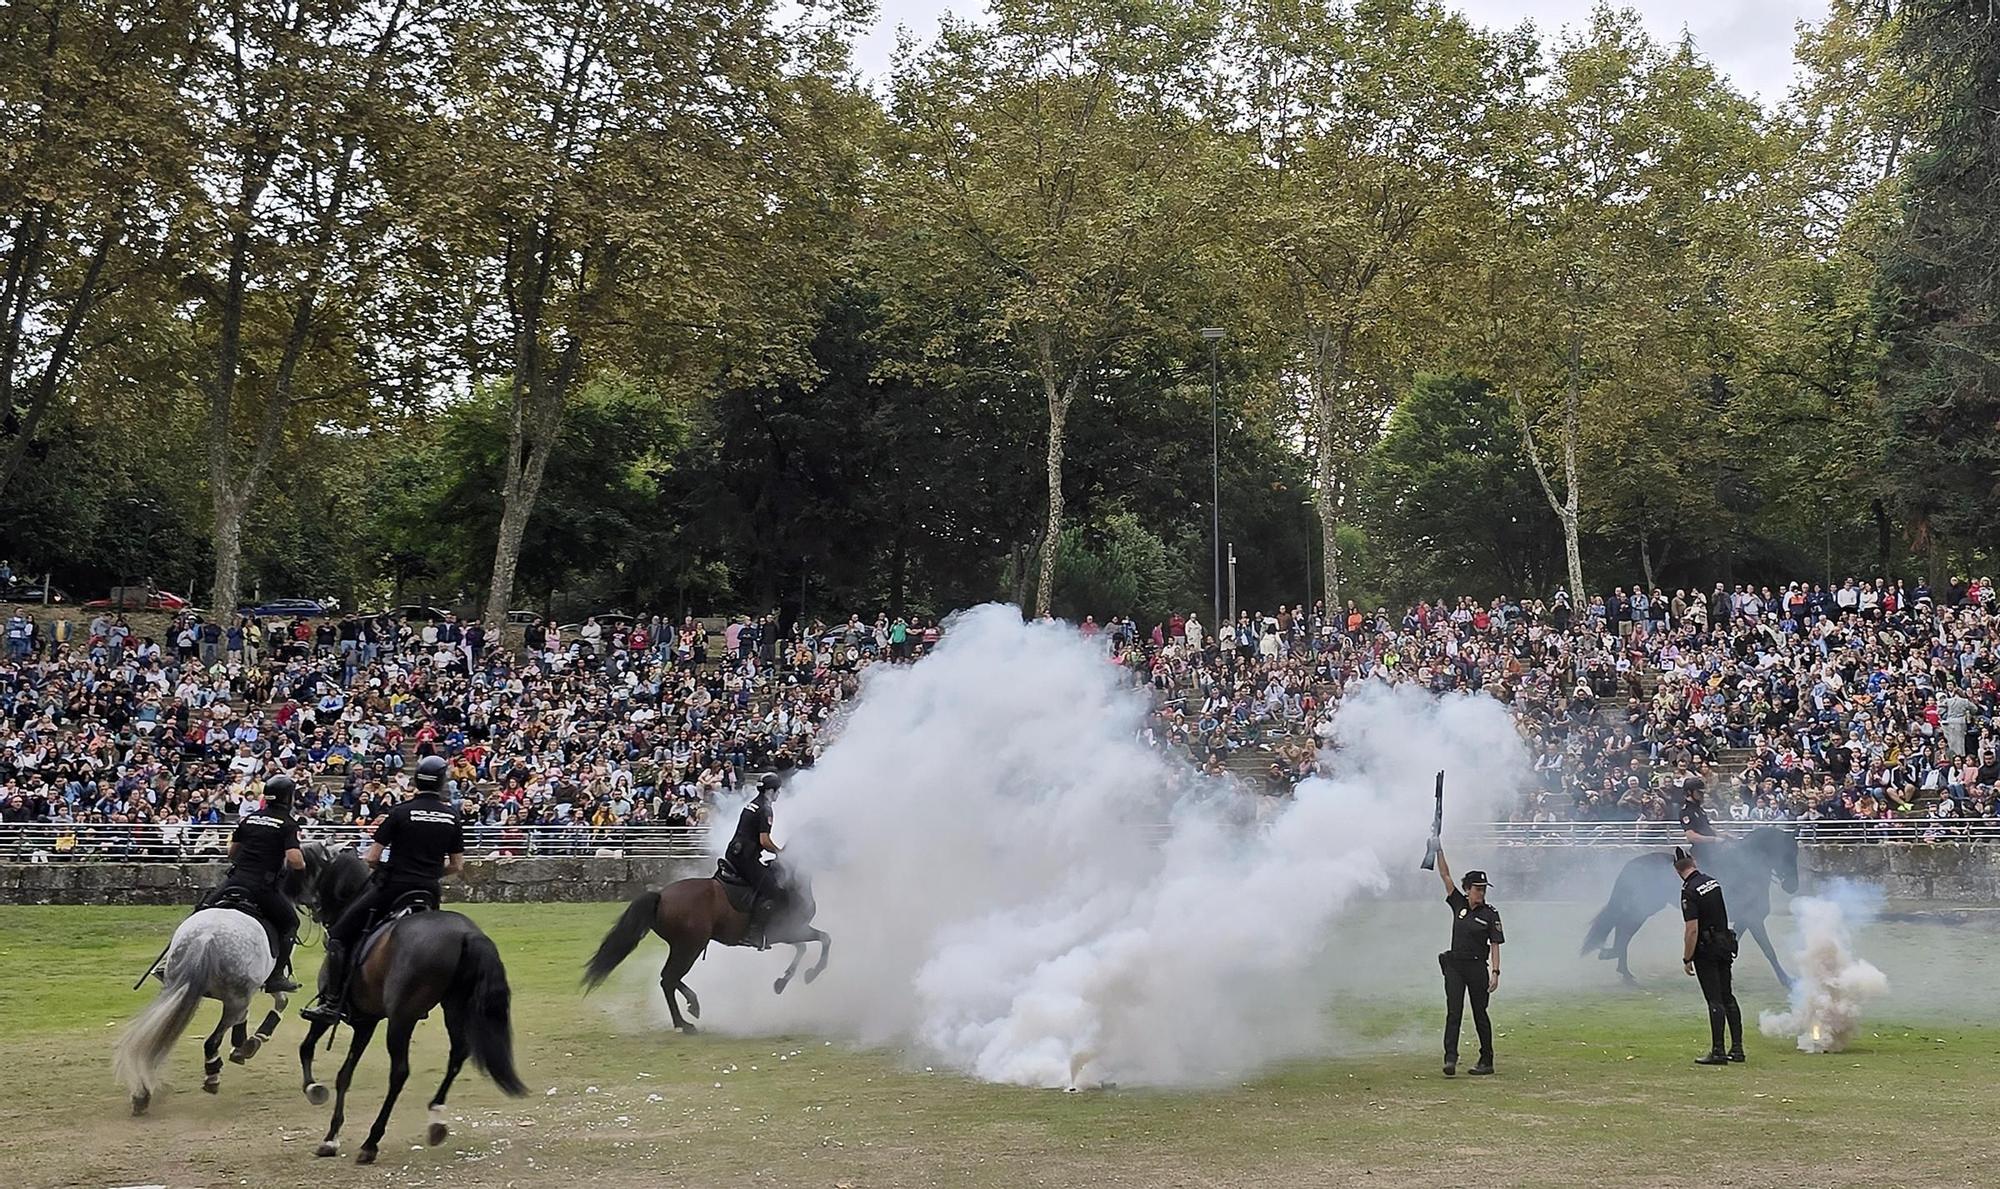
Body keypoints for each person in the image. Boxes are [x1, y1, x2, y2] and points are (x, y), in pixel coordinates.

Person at [303, 754, 465, 1024]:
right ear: (441, 783)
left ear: (416, 781)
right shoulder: (451, 816)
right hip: (428, 892)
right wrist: (431, 873)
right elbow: (457, 865)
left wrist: (392, 869)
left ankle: (332, 1002)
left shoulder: (400, 812)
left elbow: (372, 858)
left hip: (393, 888)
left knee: (340, 936)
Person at [216, 773, 306, 993]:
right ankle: (276, 977)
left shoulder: (249, 818)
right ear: (288, 798)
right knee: (290, 924)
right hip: (262, 888)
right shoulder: (287, 823)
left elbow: (231, 853)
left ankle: (168, 962)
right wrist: (302, 869)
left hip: (234, 881)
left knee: (201, 911)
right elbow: (295, 860)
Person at [1434, 846, 1503, 1077]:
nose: (1481, 893)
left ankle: (1487, 1059)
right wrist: (1439, 850)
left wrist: (1495, 972)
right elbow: (1445, 875)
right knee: (1454, 1011)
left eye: (1483, 889)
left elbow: (1495, 943)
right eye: (1477, 889)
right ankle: (1450, 1058)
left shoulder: (1490, 914)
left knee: (1479, 1013)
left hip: (1476, 967)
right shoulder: (1458, 904)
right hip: (1455, 965)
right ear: (1467, 889)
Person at [1674, 846, 1744, 1066]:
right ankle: (1737, 1049)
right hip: (1724, 944)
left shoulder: (1689, 891)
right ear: (1693, 862)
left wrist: (1687, 958)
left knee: (1714, 1000)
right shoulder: (1712, 882)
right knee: (1728, 997)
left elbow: (1691, 929)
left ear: (1677, 871)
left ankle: (1718, 1051)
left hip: (1707, 950)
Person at [717, 772, 783, 950]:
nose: (778, 793)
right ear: (771, 790)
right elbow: (764, 841)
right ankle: (754, 933)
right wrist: (781, 852)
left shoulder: (752, 804)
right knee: (773, 892)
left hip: (733, 853)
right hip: (747, 858)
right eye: (777, 790)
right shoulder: (765, 809)